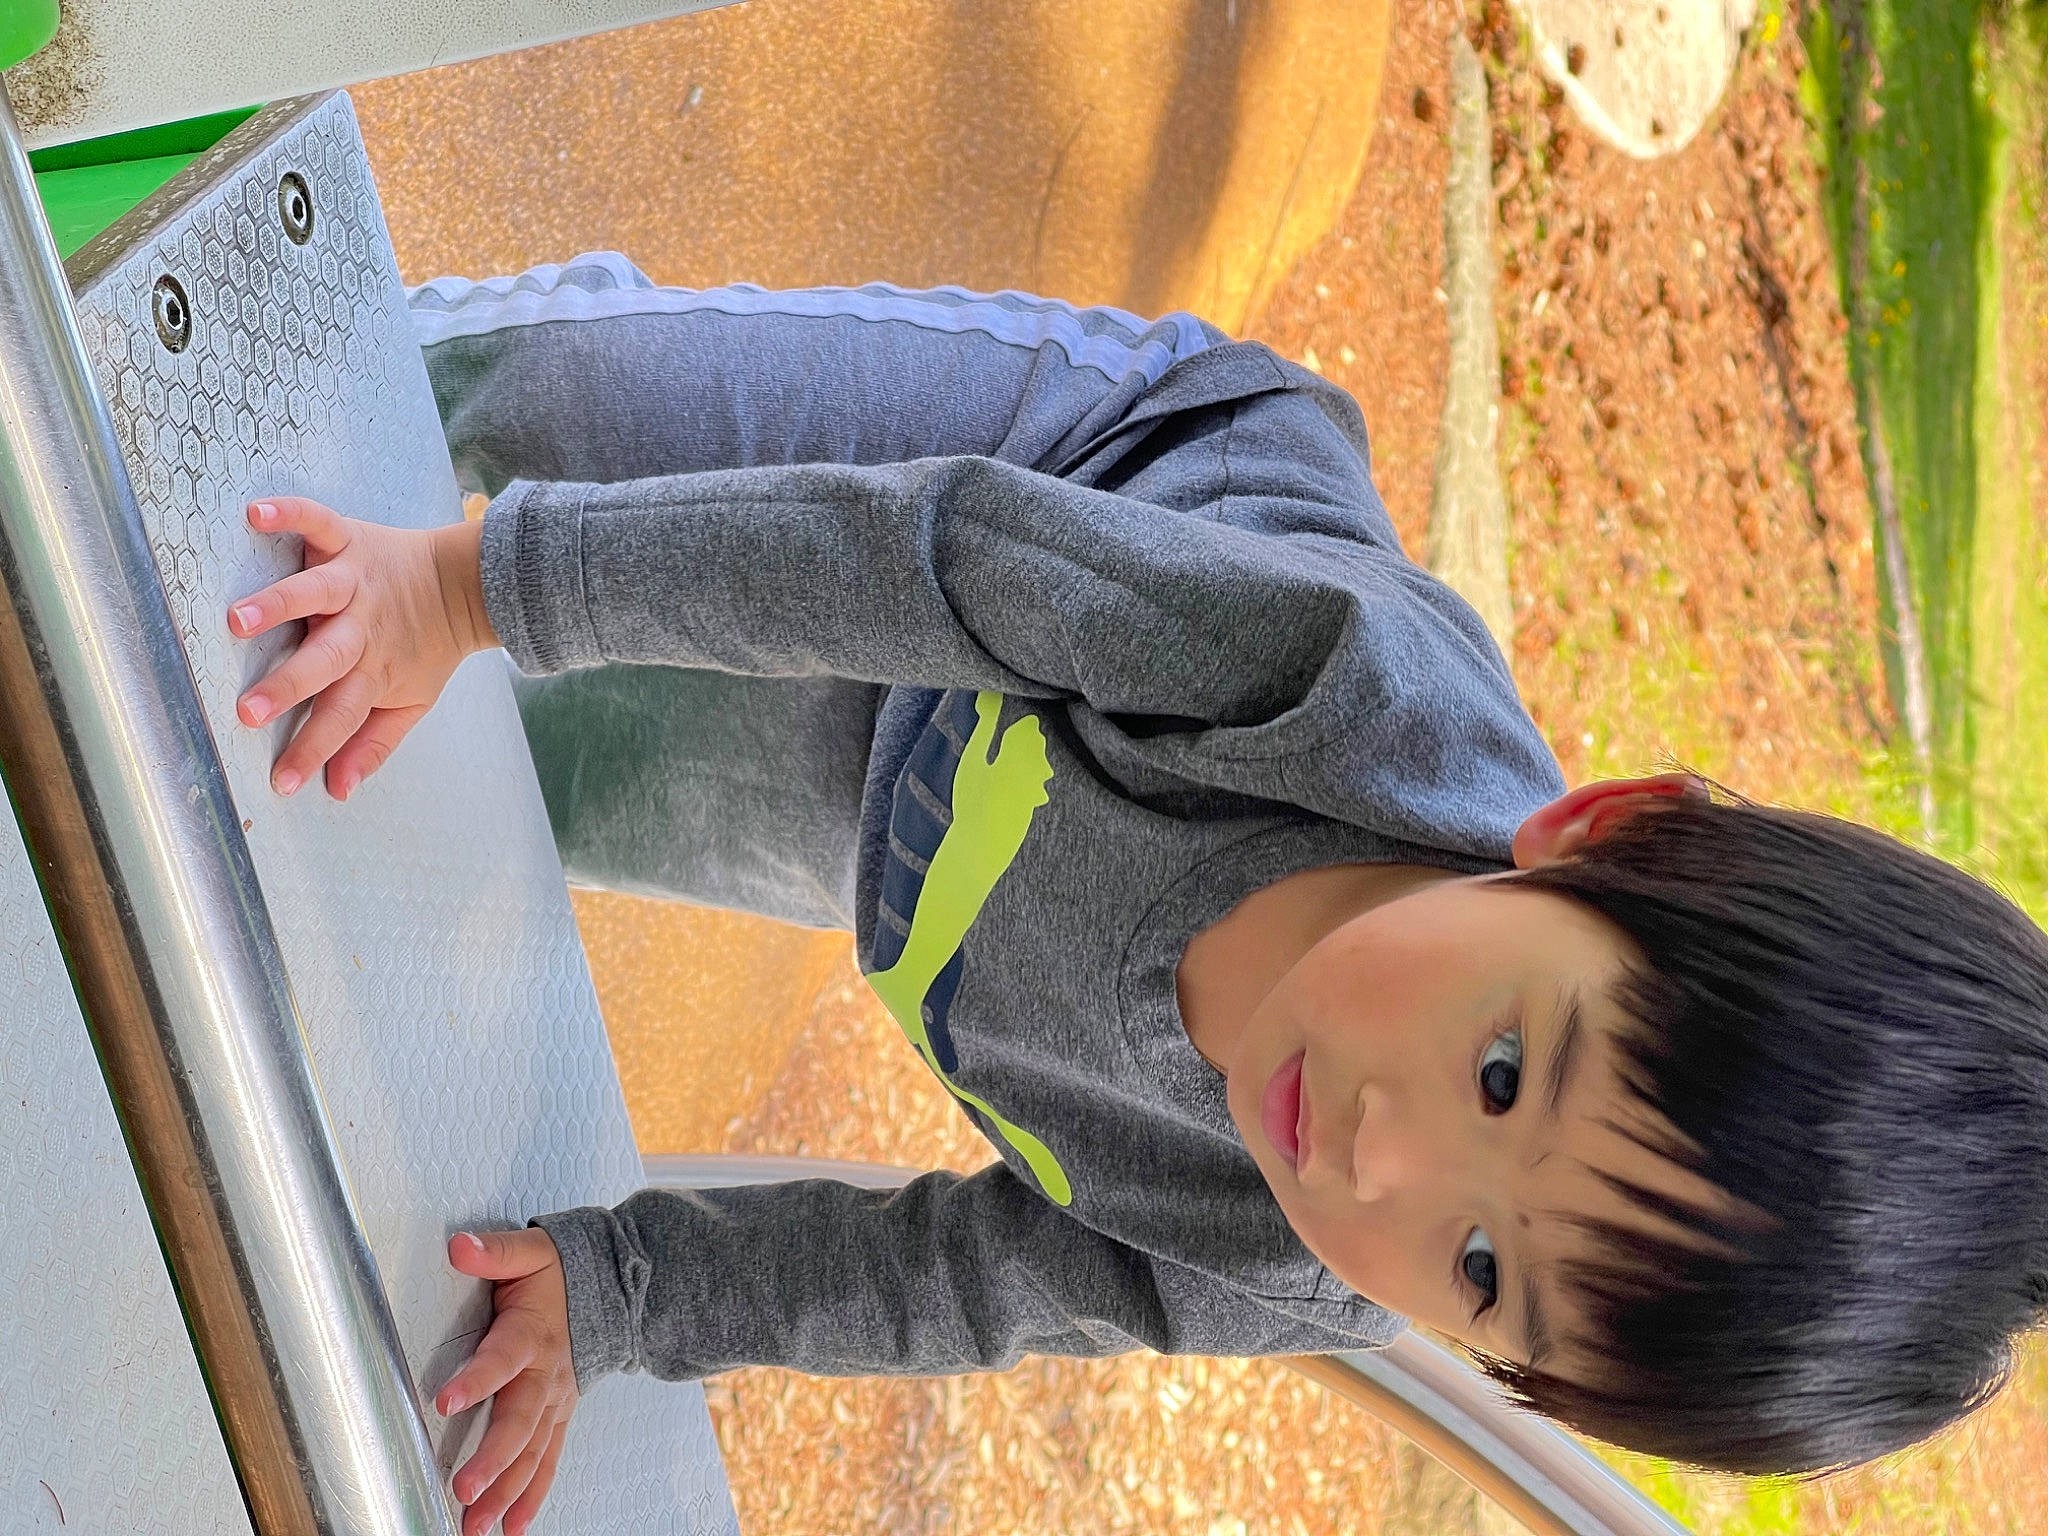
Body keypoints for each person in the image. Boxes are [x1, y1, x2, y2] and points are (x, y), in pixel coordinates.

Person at [226, 253, 2048, 1536]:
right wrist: (478, 585)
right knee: (501, 423)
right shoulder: (1346, 689)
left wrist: (629, 1292)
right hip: (1052, 500)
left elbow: (968, 1281)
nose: (1382, 1166)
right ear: (1603, 836)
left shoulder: (1305, 1276)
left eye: (1485, 1275)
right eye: (1505, 1075)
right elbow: (934, 560)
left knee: (546, 769)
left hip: (942, 845)